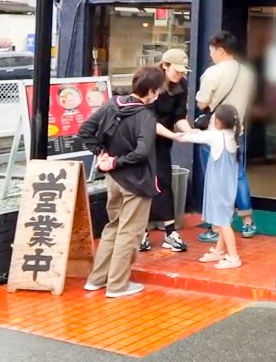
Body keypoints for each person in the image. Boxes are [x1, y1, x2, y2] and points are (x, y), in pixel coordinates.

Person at [80, 66, 164, 299]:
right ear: (152, 91)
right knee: (129, 233)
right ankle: (117, 285)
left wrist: (102, 154)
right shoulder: (145, 116)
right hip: (136, 181)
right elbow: (143, 151)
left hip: (114, 179)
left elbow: (85, 130)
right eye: (158, 90)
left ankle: (97, 279)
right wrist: (116, 161)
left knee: (113, 227)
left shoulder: (112, 103)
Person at [189, 32, 257, 243]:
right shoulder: (247, 73)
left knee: (215, 179)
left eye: (212, 50)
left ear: (221, 50)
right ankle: (247, 222)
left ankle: (216, 227)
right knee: (239, 175)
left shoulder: (212, 73)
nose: (210, 54)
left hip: (215, 134)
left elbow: (202, 102)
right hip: (237, 132)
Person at [179, 104, 243, 269]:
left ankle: (234, 257)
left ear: (219, 122)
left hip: (219, 186)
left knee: (223, 222)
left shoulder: (216, 137)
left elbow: (190, 138)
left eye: (214, 118)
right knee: (224, 220)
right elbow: (204, 134)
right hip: (227, 186)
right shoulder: (231, 135)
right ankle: (219, 251)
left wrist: (179, 132)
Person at [140, 48, 191, 253]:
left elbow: (179, 116)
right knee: (143, 184)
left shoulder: (181, 86)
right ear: (165, 66)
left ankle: (170, 232)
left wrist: (190, 132)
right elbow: (148, 121)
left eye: (182, 71)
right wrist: (174, 135)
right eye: (176, 70)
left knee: (164, 181)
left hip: (163, 142)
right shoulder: (150, 84)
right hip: (141, 140)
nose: (180, 75)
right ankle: (141, 232)